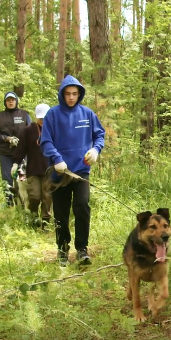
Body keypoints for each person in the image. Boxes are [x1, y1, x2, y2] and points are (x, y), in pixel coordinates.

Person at [40, 75, 105, 266]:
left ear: (79, 94)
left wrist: (95, 150)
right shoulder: (53, 114)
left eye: (74, 94)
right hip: (60, 173)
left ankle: (82, 249)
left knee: (82, 207)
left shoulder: (87, 114)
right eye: (67, 93)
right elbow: (45, 141)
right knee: (61, 212)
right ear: (62, 94)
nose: (71, 97)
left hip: (81, 172)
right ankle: (62, 249)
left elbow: (100, 135)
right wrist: (57, 159)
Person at [11, 103, 52, 229]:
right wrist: (15, 163)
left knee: (47, 197)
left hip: (49, 169)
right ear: (35, 117)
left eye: (45, 118)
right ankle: (34, 218)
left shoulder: (54, 130)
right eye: (40, 118)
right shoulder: (27, 131)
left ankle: (45, 222)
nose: (42, 121)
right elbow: (21, 149)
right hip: (33, 169)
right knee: (34, 196)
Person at [0, 92, 31, 206]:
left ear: (16, 101)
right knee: (7, 180)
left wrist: (23, 142)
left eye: (12, 100)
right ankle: (9, 204)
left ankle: (23, 204)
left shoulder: (24, 114)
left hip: (22, 153)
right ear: (5, 102)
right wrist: (7, 139)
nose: (10, 102)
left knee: (22, 179)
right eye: (8, 100)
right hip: (5, 153)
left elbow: (31, 131)